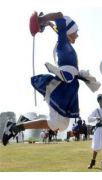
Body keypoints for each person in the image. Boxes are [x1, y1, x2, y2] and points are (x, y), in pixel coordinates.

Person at [2, 12, 84, 146]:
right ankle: (16, 127)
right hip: (62, 88)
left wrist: (48, 24)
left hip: (67, 88)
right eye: (76, 31)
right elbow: (59, 15)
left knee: (62, 125)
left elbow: (60, 29)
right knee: (58, 124)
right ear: (68, 32)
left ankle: (19, 125)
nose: (78, 34)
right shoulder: (63, 44)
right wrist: (40, 19)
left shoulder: (65, 43)